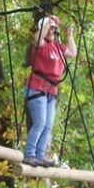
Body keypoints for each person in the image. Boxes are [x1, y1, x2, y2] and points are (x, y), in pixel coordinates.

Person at [23, 15, 76, 167]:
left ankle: (40, 155)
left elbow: (72, 52)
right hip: (37, 87)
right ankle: (30, 154)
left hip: (51, 91)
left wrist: (70, 34)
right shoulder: (40, 44)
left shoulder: (58, 47)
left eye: (54, 29)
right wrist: (48, 22)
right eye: (50, 28)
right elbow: (39, 36)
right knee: (39, 122)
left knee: (48, 125)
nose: (52, 31)